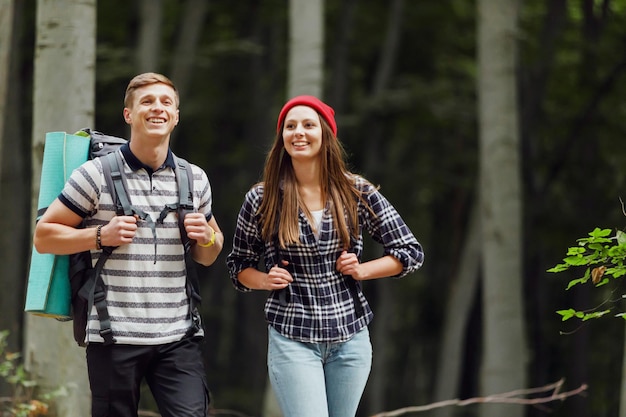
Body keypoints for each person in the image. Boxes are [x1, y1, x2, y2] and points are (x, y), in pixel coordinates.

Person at [34, 72, 223, 417]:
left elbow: (209, 254)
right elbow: (44, 236)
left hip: (178, 334)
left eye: (166, 102)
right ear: (128, 114)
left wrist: (207, 236)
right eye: (147, 102)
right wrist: (98, 236)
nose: (158, 109)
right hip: (113, 336)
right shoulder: (94, 174)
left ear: (176, 116)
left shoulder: (194, 178)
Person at [226, 95, 424, 417]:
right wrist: (265, 279)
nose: (298, 132)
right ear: (282, 138)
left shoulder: (356, 191)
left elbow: (410, 252)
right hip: (293, 334)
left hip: (350, 336)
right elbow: (239, 266)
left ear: (326, 134)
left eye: (308, 125)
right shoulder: (261, 197)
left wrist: (362, 270)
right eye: (290, 126)